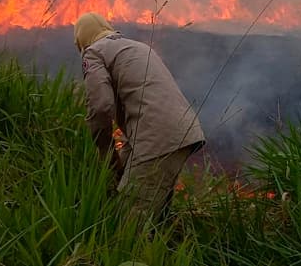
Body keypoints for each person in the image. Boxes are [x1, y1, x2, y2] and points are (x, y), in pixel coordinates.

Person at [74, 12, 206, 225]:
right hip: (182, 131)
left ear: (80, 40)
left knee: (127, 225)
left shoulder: (93, 52)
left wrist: (105, 154)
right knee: (155, 218)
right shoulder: (137, 47)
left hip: (157, 139)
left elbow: (100, 107)